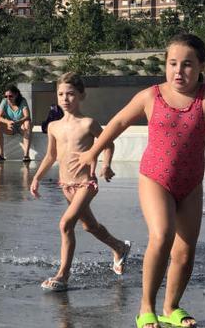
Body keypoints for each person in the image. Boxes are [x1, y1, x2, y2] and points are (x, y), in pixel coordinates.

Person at [74, 33, 205, 328]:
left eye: (187, 64)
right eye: (172, 63)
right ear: (165, 65)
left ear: (201, 67)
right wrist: (93, 152)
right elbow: (120, 121)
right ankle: (146, 307)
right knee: (162, 235)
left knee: (185, 251)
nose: (178, 70)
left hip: (190, 185)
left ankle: (171, 307)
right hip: (155, 178)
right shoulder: (151, 96)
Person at [29, 72, 131, 292]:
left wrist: (106, 165)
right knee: (89, 226)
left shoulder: (88, 124)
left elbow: (108, 144)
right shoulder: (53, 126)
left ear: (81, 96)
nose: (65, 99)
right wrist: (36, 177)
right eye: (61, 94)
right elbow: (50, 156)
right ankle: (119, 247)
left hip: (86, 184)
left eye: (71, 94)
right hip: (66, 185)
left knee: (66, 224)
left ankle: (63, 275)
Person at [0, 85, 32, 162]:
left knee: (27, 123)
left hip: (21, 126)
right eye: (6, 96)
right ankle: (0, 154)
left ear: (16, 94)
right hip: (10, 127)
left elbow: (27, 116)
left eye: (10, 96)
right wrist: (7, 122)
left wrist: (17, 122)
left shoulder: (22, 101)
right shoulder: (4, 101)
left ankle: (26, 155)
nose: (8, 98)